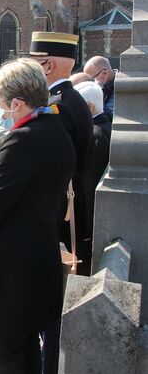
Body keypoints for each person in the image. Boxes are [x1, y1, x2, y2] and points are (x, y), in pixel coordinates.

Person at [0, 58, 75, 374]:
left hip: (11, 271)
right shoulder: (56, 130)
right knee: (27, 351)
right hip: (40, 258)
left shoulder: (22, 141)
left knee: (7, 354)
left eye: (0, 105)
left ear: (16, 103)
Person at [29, 31, 93, 374]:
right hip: (68, 212)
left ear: (48, 64)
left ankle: (49, 367)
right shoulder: (73, 100)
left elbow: (46, 172)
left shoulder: (56, 107)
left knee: (53, 301)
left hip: (56, 218)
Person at [74, 80, 112, 271]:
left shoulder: (95, 135)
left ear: (89, 106)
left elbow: (89, 183)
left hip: (87, 219)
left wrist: (87, 226)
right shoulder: (103, 126)